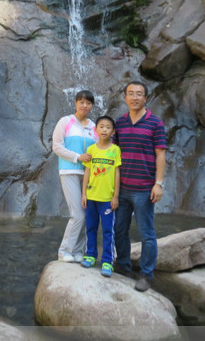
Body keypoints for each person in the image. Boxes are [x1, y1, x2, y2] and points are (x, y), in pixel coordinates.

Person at [113, 81, 167, 292]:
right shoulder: (119, 123)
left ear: (146, 98)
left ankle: (146, 274)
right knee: (119, 230)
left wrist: (158, 184)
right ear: (125, 97)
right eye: (131, 93)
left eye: (139, 94)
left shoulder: (155, 123)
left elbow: (161, 154)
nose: (135, 97)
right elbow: (113, 153)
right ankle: (123, 266)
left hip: (145, 188)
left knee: (147, 233)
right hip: (122, 187)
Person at [52, 90, 97, 263]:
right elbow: (57, 147)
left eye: (88, 103)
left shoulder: (94, 126)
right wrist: (77, 157)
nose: (85, 106)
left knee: (86, 214)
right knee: (77, 214)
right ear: (76, 103)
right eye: (82, 102)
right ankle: (64, 250)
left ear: (92, 106)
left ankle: (78, 251)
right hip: (69, 170)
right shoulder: (65, 121)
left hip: (88, 174)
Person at [80, 115, 122, 278]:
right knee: (90, 227)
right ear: (95, 129)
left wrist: (115, 196)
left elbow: (117, 173)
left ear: (113, 131)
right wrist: (83, 194)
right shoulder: (91, 149)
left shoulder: (115, 150)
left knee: (107, 231)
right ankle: (90, 255)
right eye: (101, 126)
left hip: (107, 199)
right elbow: (87, 172)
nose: (104, 129)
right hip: (91, 197)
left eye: (108, 127)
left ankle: (107, 261)